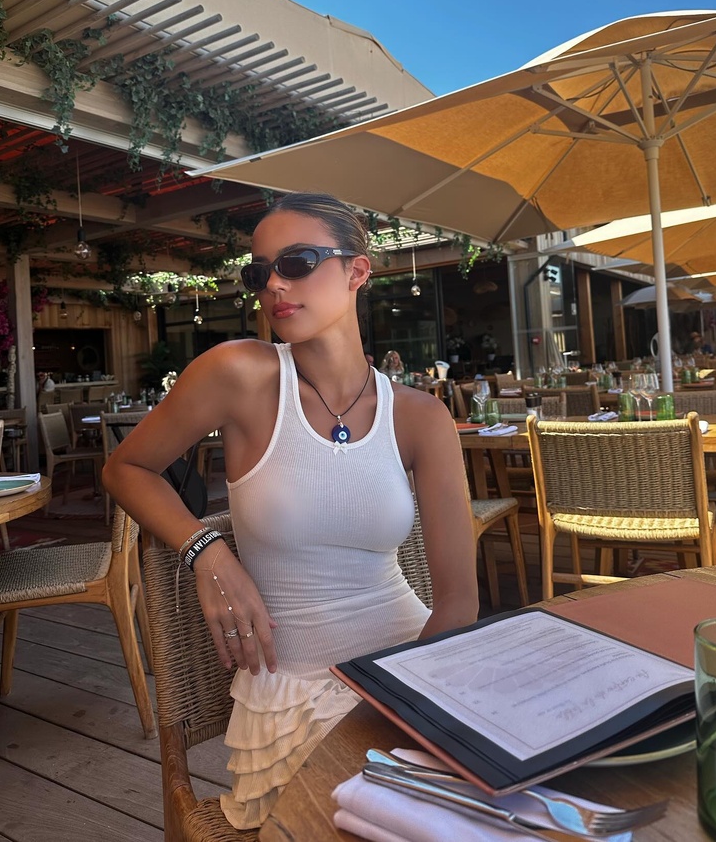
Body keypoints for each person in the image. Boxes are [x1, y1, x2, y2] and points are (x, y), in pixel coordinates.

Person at [102, 192, 478, 830]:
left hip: (412, 673)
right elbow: (125, 468)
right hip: (294, 695)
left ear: (357, 271)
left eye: (298, 262)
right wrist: (207, 551)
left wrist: (398, 713)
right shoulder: (239, 375)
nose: (274, 284)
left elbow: (459, 603)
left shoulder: (421, 416)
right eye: (260, 272)